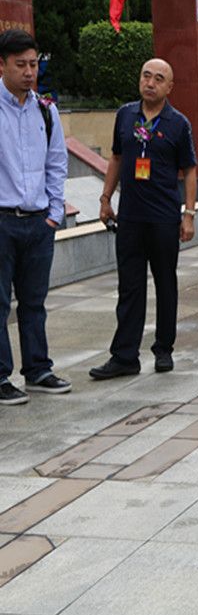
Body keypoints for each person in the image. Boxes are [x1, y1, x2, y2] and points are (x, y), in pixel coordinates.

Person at [89, 59, 197, 379]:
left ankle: (163, 349)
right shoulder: (125, 115)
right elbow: (116, 158)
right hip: (131, 217)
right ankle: (125, 356)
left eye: (158, 78)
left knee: (165, 283)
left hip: (164, 218)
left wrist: (189, 215)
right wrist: (106, 199)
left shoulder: (178, 123)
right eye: (146, 76)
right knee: (130, 287)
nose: (150, 83)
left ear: (169, 87)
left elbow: (190, 170)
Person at [0, 28, 70, 405]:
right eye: (20, 65)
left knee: (34, 302)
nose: (29, 72)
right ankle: (0, 376)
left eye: (33, 64)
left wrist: (54, 213)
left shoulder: (46, 110)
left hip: (38, 221)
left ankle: (38, 369)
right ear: (2, 65)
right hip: (2, 221)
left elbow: (56, 163)